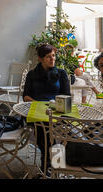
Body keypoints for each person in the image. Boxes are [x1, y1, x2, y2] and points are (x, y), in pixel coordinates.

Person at [23, 44, 71, 172]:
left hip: (57, 112)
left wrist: (54, 105)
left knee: (47, 136)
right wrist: (41, 104)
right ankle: (54, 166)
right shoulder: (32, 74)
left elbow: (66, 96)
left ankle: (47, 167)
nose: (52, 59)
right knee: (45, 134)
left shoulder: (61, 73)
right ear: (40, 58)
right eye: (48, 57)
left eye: (54, 56)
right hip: (37, 113)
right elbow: (26, 96)